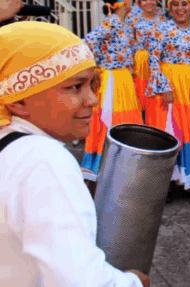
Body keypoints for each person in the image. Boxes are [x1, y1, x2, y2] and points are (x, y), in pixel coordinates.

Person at [0, 21, 149, 287]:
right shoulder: (41, 158)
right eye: (74, 87)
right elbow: (81, 281)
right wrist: (133, 283)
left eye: (92, 85)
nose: (92, 99)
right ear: (18, 99)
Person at [146, 0, 190, 200]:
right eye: (175, 4)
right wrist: (163, 87)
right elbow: (153, 60)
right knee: (169, 130)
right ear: (170, 7)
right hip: (170, 85)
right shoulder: (161, 28)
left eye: (184, 4)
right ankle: (164, 184)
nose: (180, 8)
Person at [81, 0, 144, 173]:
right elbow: (86, 42)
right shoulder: (111, 23)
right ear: (124, 1)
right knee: (113, 119)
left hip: (121, 78)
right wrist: (97, 67)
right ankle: (106, 168)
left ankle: (117, 168)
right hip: (113, 80)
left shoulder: (120, 23)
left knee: (122, 118)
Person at [129, 0, 166, 113]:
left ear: (157, 0)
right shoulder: (133, 20)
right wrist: (131, 66)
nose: (149, 2)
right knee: (141, 95)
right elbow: (129, 43)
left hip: (158, 63)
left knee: (156, 98)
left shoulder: (163, 19)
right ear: (139, 2)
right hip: (141, 63)